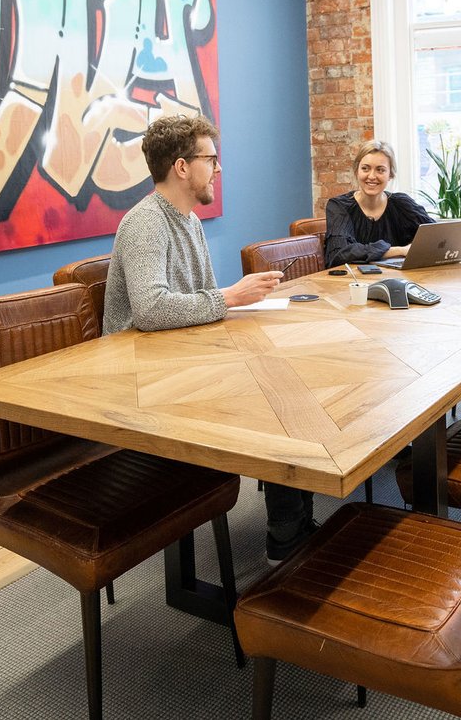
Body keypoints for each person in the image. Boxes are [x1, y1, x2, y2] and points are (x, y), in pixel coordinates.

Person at [103, 114, 317, 563]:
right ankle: (287, 531)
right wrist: (230, 296)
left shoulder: (189, 221)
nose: (218, 168)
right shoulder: (146, 223)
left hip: (181, 358)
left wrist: (235, 301)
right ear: (182, 167)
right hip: (143, 379)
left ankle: (293, 523)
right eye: (211, 159)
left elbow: (199, 303)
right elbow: (151, 310)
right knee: (274, 397)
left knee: (287, 378)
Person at [322, 139, 433, 266]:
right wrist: (399, 251)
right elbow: (339, 254)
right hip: (353, 278)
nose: (372, 176)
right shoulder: (339, 206)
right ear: (356, 171)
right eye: (365, 168)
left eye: (380, 170)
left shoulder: (402, 204)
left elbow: (436, 236)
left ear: (390, 175)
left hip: (397, 277)